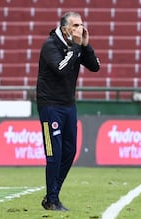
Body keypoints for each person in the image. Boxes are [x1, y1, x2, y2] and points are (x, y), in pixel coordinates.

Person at [36, 11, 100, 211]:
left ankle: (51, 195)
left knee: (70, 152)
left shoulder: (77, 46)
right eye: (75, 26)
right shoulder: (50, 46)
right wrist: (75, 48)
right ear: (64, 29)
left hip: (68, 106)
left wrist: (86, 46)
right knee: (53, 153)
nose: (79, 29)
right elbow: (61, 68)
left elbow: (95, 67)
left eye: (81, 25)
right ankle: (52, 199)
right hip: (49, 106)